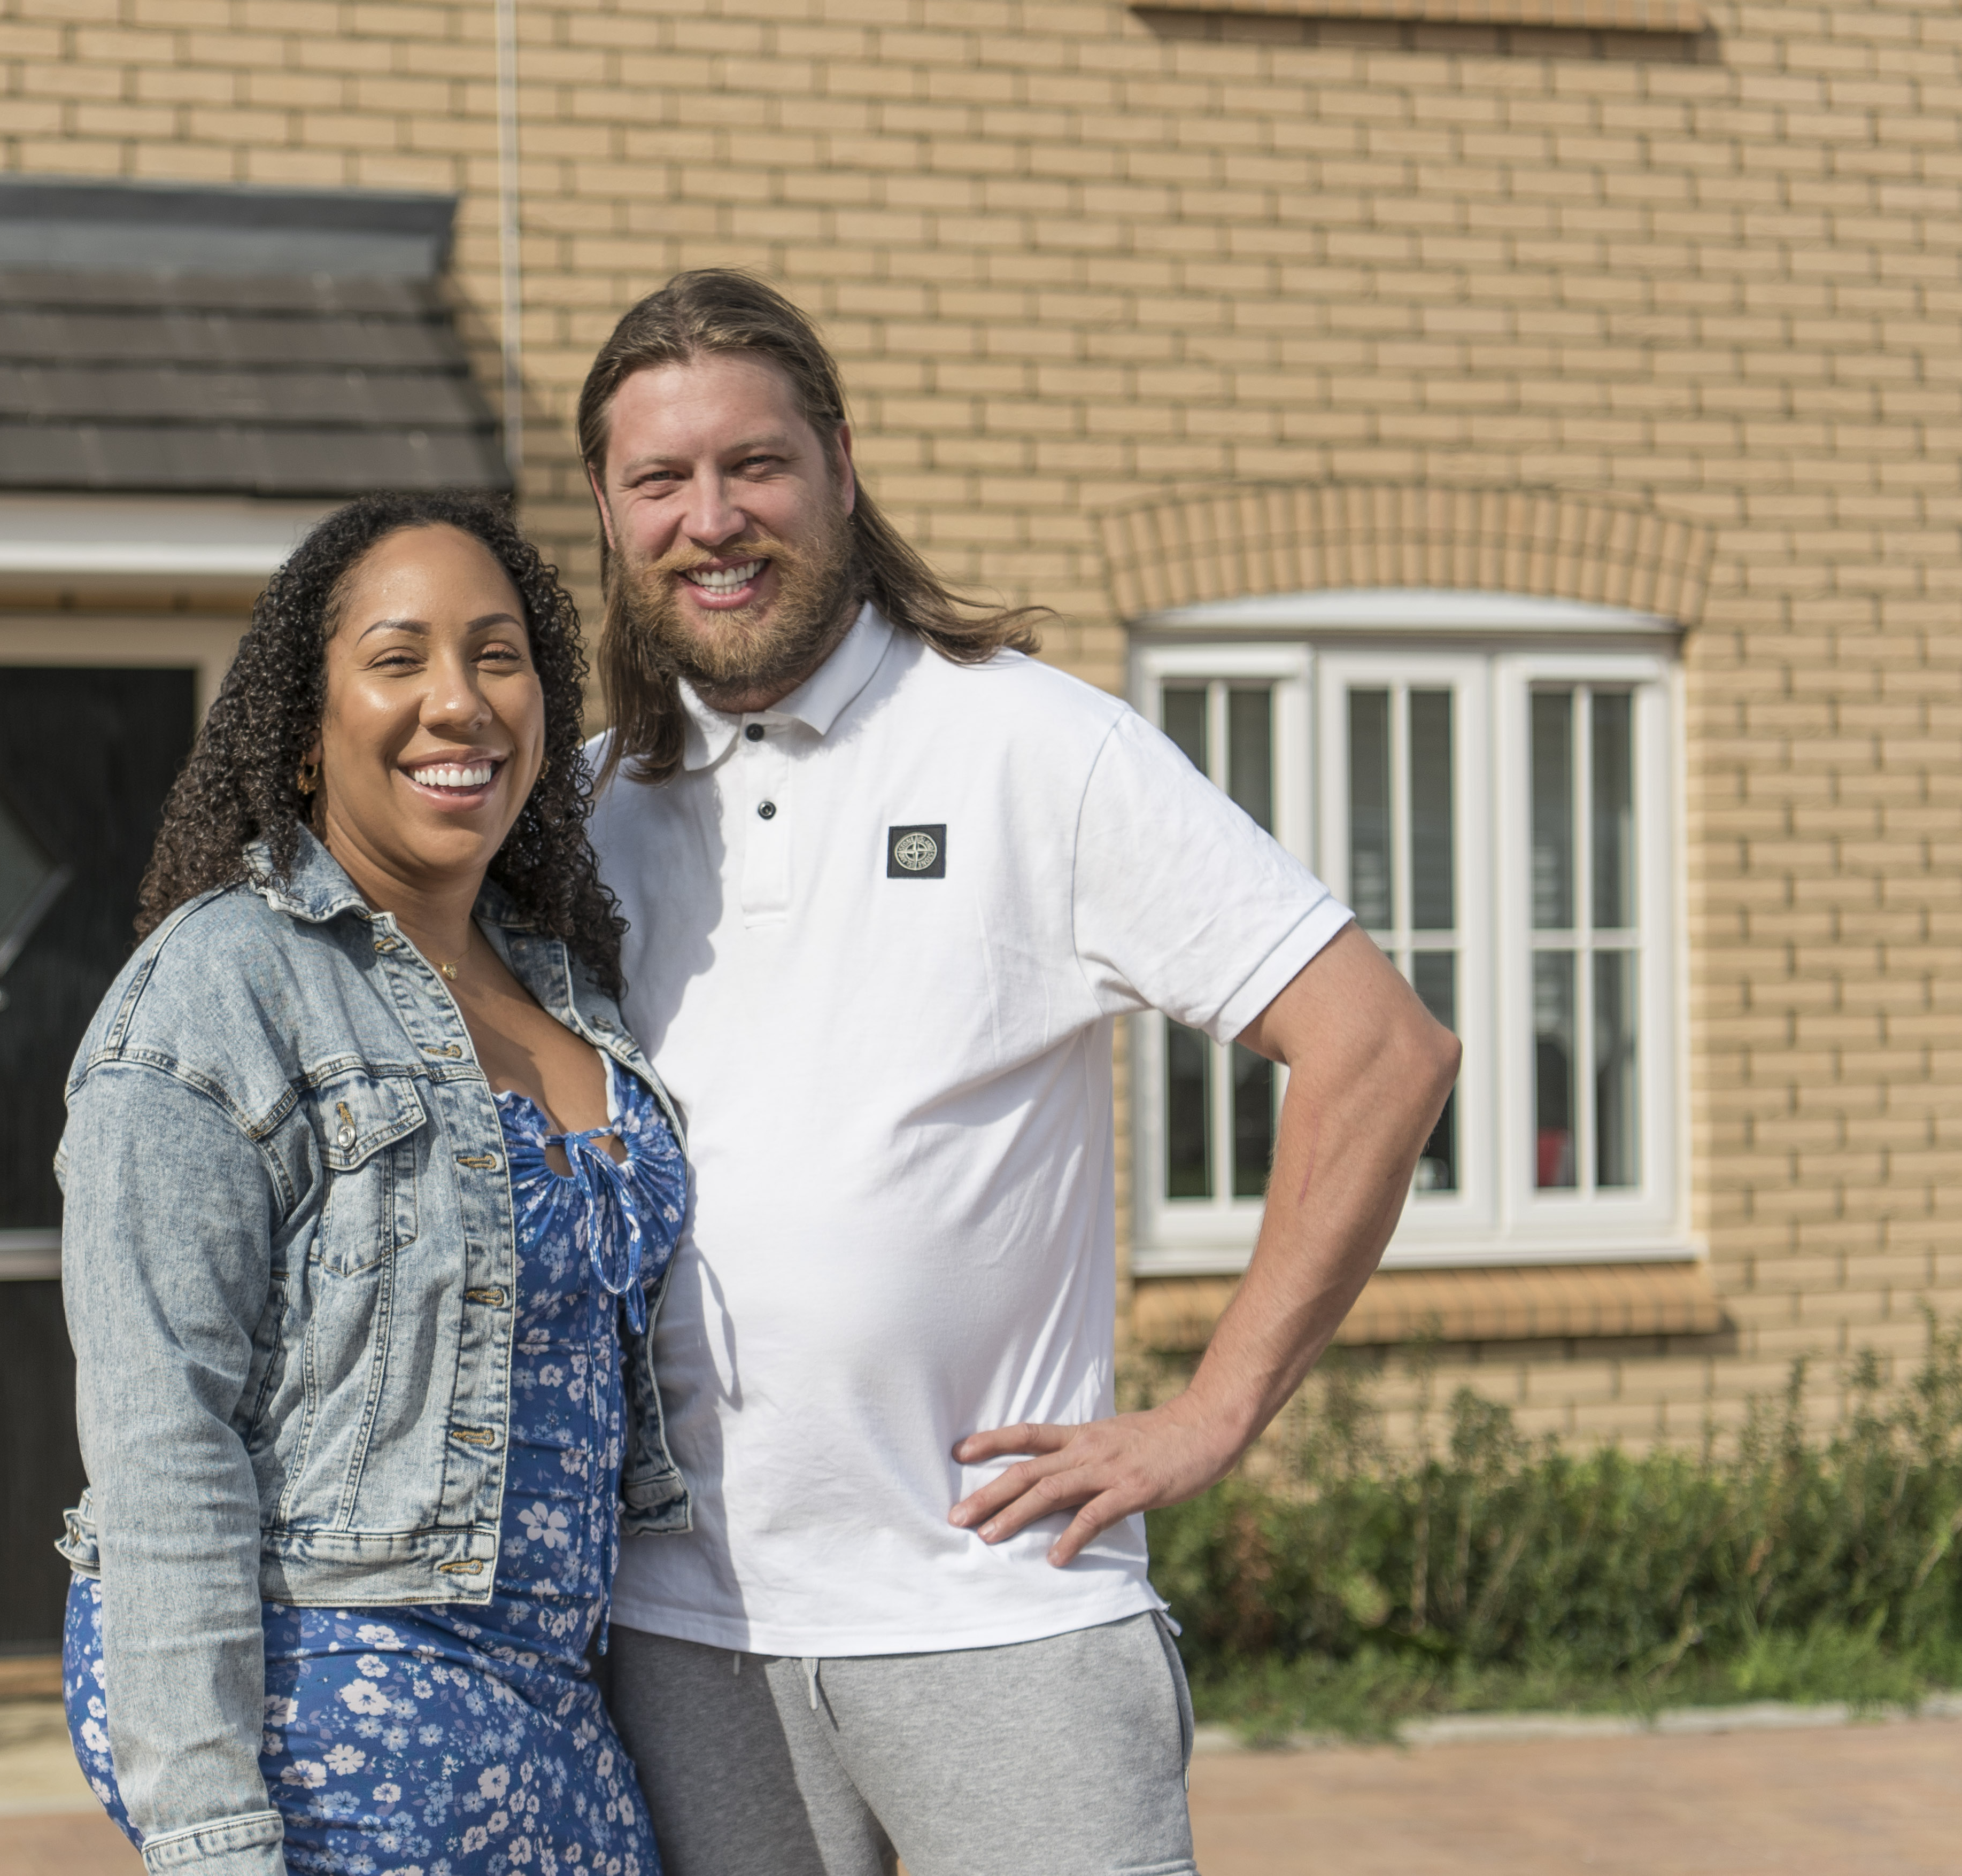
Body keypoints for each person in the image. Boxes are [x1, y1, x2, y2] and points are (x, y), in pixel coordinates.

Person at [577, 271, 1462, 1876]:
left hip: (997, 1612)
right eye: (663, 480)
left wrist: (1208, 1418)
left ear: (841, 469)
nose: (713, 518)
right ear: (611, 510)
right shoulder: (585, 814)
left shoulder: (1037, 749)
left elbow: (1381, 1049)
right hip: (684, 1631)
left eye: (755, 465)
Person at [53, 491, 690, 1876]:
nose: (456, 702)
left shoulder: (568, 987)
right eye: (399, 660)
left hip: (553, 1703)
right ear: (302, 733)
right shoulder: (219, 991)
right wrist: (212, 1830)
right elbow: (165, 1438)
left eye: (498, 655)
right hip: (332, 1678)